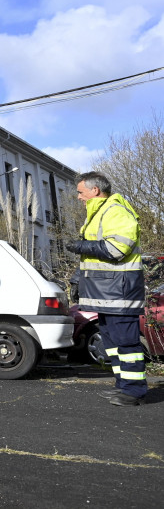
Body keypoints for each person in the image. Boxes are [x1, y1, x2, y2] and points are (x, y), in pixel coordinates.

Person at [65, 171, 146, 406]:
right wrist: (78, 279)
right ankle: (123, 386)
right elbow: (92, 257)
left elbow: (117, 249)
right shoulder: (99, 213)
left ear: (95, 190)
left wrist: (82, 245)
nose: (79, 197)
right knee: (112, 343)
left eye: (81, 192)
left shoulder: (115, 211)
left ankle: (133, 391)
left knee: (126, 343)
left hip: (119, 293)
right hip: (106, 292)